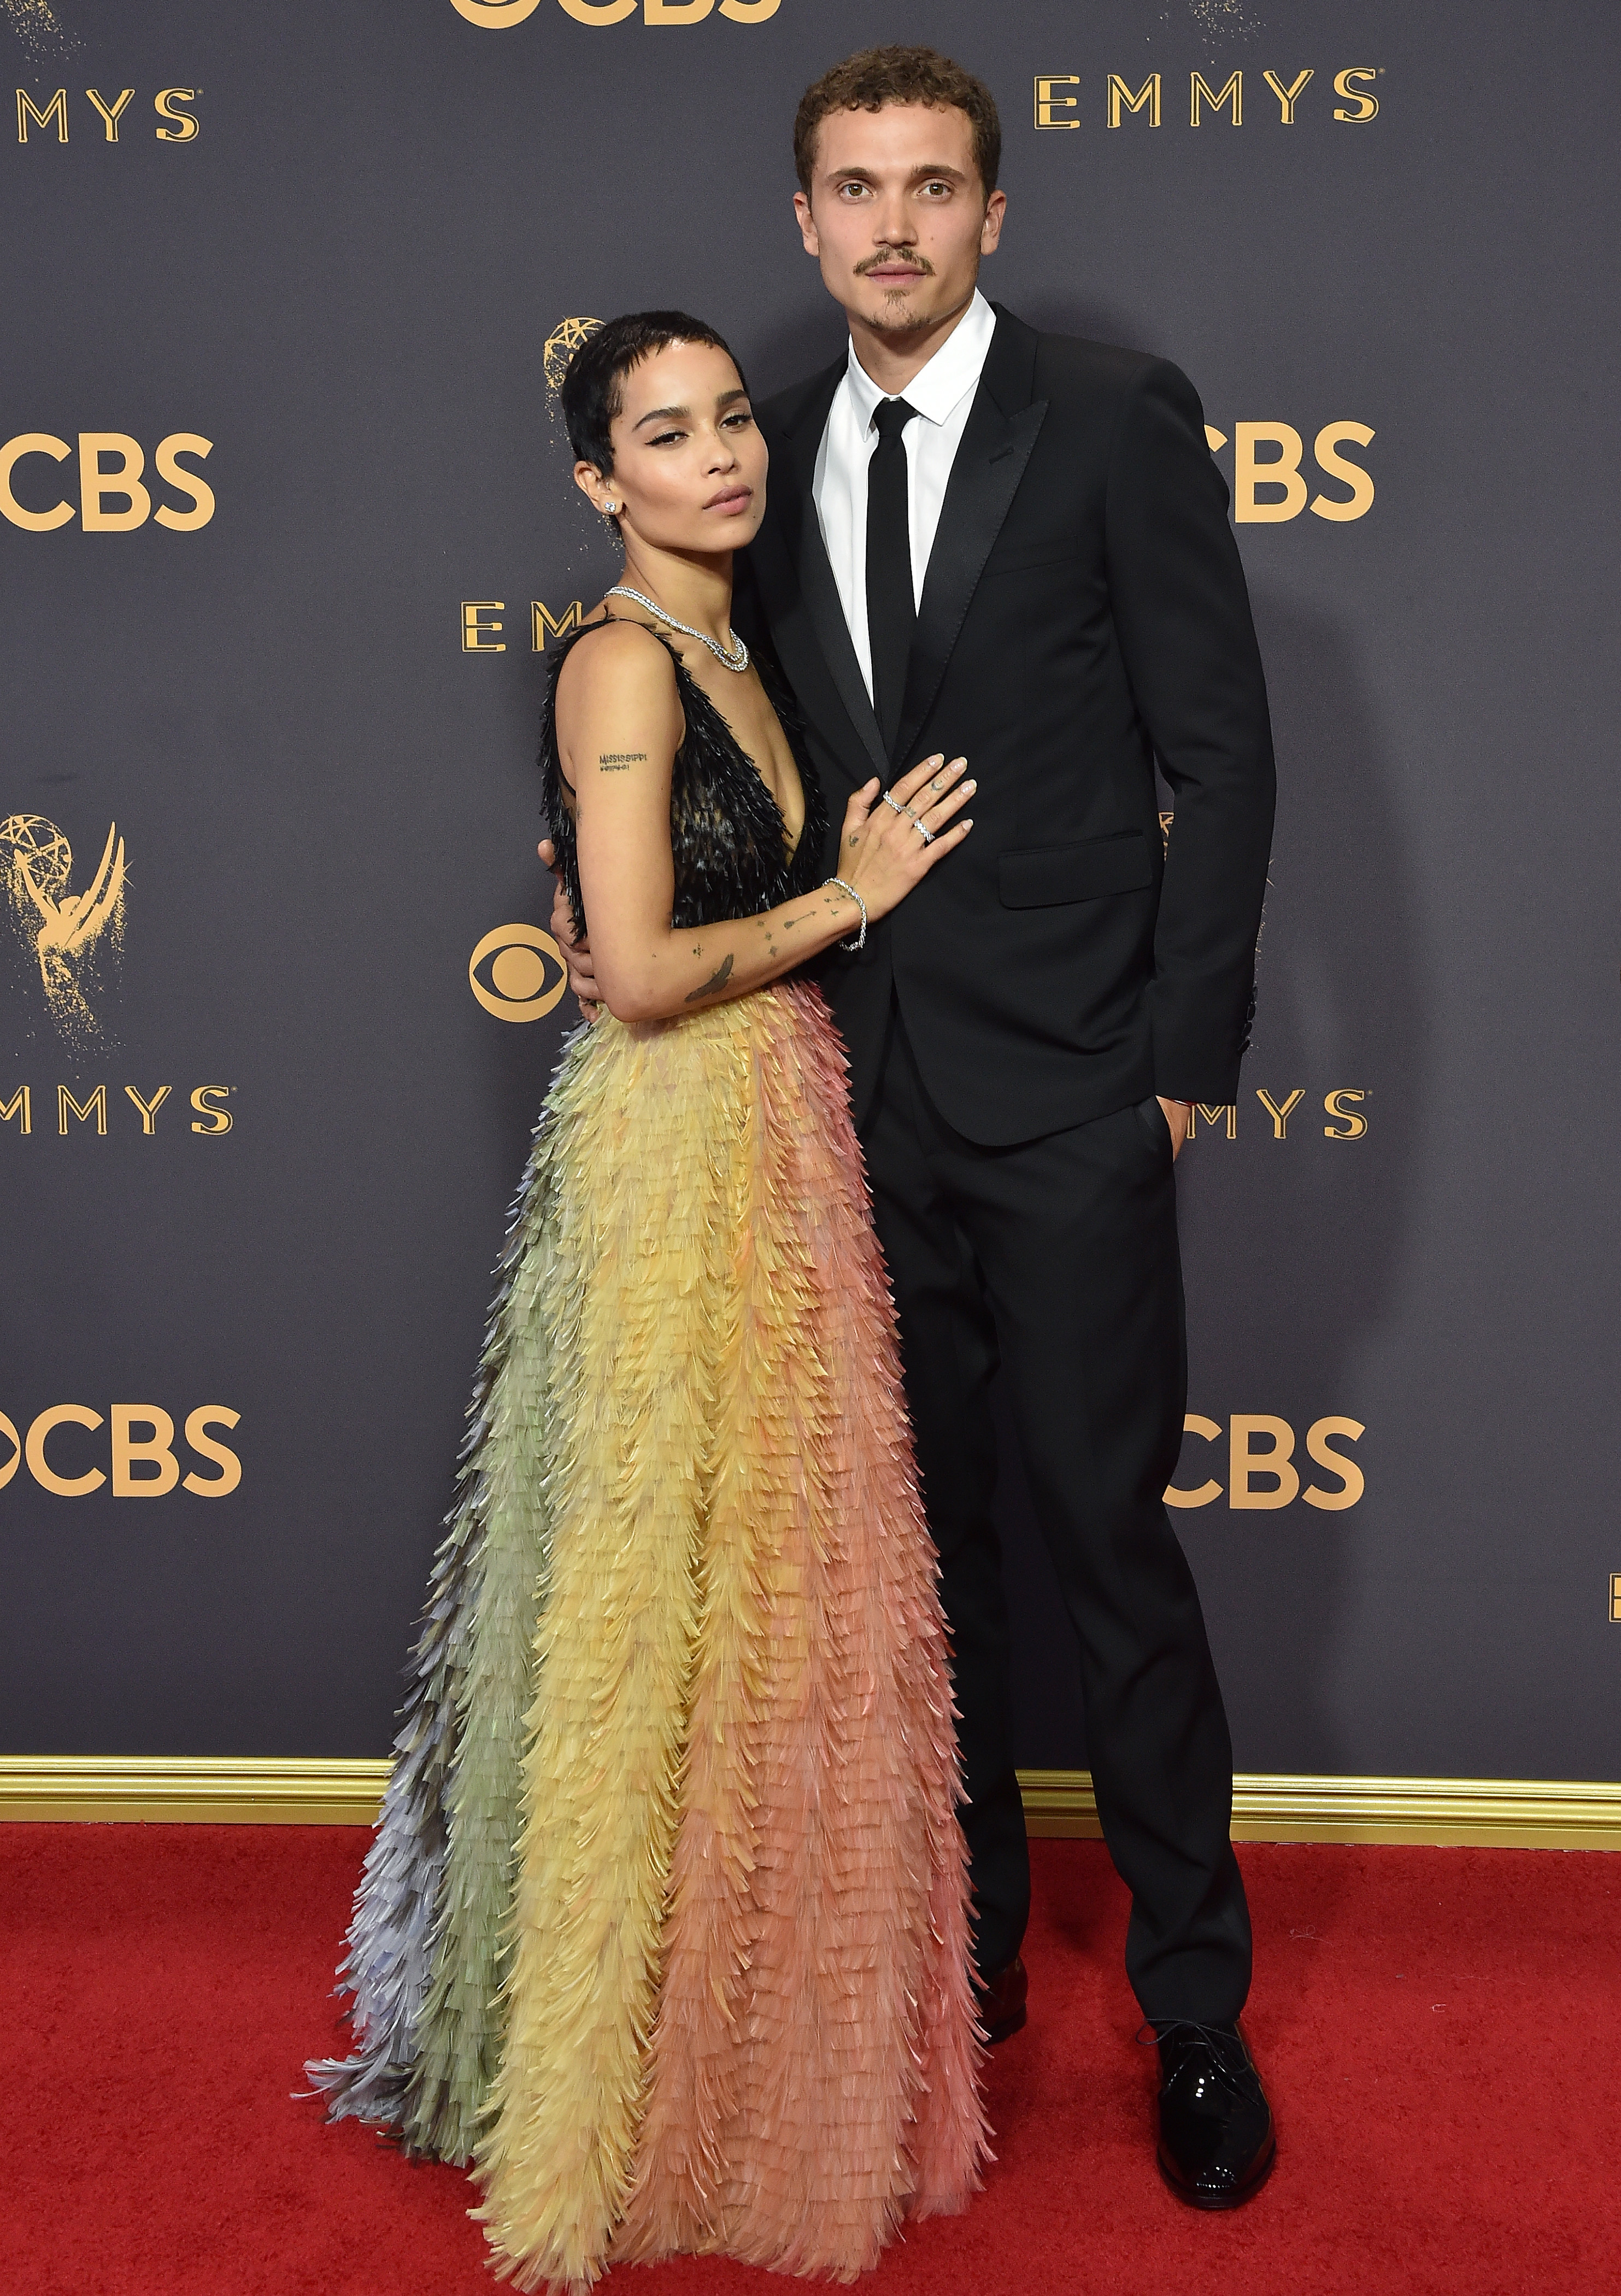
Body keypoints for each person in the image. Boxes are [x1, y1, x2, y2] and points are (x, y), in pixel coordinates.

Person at [553, 46, 1280, 2211]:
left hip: (1068, 1102)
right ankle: (952, 1972)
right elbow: (685, 722)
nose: (889, 223)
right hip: (841, 1117)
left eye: (931, 187)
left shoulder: (1114, 421)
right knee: (911, 1583)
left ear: (992, 215)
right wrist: (597, 899)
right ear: (803, 220)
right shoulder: (750, 462)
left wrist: (1173, 1075)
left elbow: (1220, 765)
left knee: (1111, 1561)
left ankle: (1193, 2012)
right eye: (852, 189)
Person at [308, 311, 989, 2288]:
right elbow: (637, 964)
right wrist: (848, 900)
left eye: (731, 424)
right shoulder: (621, 654)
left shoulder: (735, 646)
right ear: (600, 482)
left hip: (772, 1130)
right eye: (664, 436)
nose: (720, 458)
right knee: (646, 1603)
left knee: (770, 1590)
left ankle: (755, 2041)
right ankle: (611, 2068)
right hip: (670, 1151)